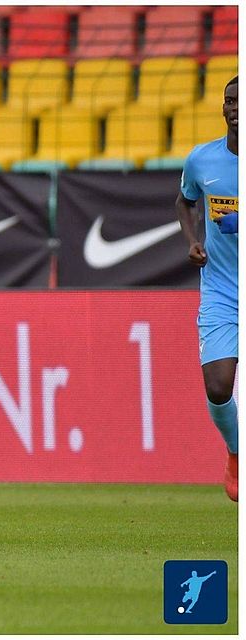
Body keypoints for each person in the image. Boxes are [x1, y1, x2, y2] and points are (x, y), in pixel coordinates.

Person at [175, 75, 239, 502]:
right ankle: (237, 454)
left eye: (240, 101)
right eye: (228, 101)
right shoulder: (203, 161)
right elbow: (185, 200)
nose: (233, 108)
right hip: (221, 290)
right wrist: (192, 241)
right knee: (217, 387)